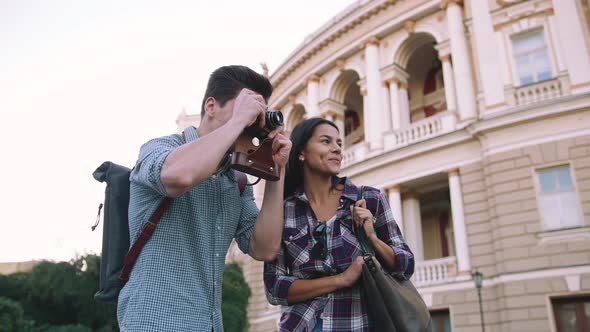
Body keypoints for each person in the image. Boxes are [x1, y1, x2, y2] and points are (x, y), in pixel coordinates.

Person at [117, 65, 292, 331]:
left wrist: (275, 173)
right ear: (211, 106)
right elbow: (180, 176)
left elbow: (264, 248)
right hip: (153, 321)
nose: (251, 121)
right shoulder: (161, 148)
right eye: (245, 107)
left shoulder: (235, 181)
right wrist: (237, 122)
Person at [264, 117, 414, 332]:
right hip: (302, 325)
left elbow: (406, 265)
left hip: (360, 323)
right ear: (301, 153)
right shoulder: (283, 210)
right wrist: (341, 279)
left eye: (339, 144)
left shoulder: (369, 199)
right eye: (326, 141)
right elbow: (275, 288)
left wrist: (372, 238)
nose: (336, 149)